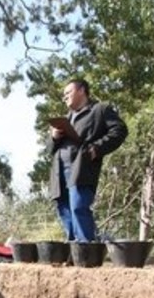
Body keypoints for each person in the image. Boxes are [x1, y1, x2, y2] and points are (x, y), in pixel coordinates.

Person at [49, 78, 128, 242]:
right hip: (59, 170)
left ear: (82, 90)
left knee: (78, 206)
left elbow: (119, 130)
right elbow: (50, 149)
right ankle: (73, 251)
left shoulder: (99, 110)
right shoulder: (65, 119)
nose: (65, 98)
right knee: (64, 209)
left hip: (81, 168)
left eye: (68, 93)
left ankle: (86, 252)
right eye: (63, 95)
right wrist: (54, 137)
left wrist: (96, 149)